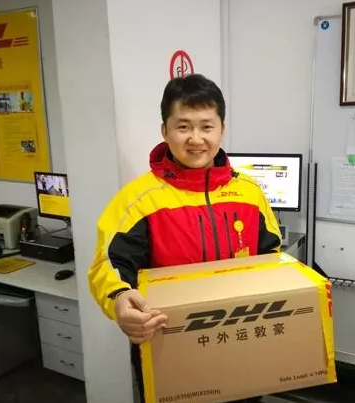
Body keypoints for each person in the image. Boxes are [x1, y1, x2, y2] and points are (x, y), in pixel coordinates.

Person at [88, 74, 282, 403]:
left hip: (240, 340)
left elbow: (271, 254)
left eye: (206, 126)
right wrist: (119, 299)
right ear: (165, 131)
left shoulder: (250, 193)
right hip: (168, 342)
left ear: (222, 129)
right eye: (183, 126)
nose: (196, 139)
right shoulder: (139, 199)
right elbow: (109, 263)